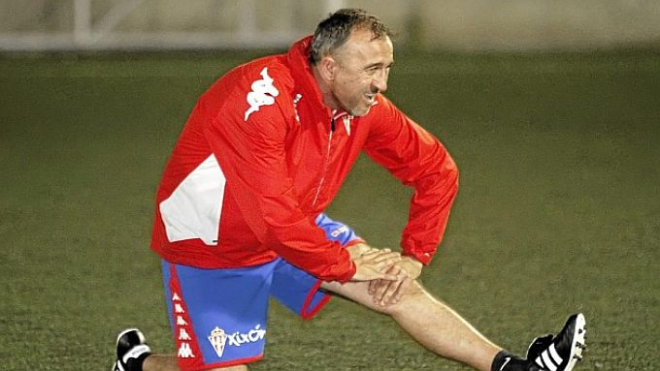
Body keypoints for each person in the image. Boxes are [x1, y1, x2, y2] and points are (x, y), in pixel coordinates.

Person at [112, 8, 587, 371]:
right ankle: (139, 364)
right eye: (372, 69)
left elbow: (437, 169)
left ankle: (516, 367)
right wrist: (342, 262)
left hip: (294, 226)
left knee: (395, 287)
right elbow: (271, 217)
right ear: (330, 66)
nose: (382, 84)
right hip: (212, 245)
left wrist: (414, 256)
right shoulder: (258, 100)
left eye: (388, 68)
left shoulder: (360, 105)